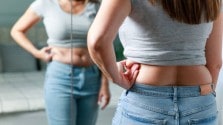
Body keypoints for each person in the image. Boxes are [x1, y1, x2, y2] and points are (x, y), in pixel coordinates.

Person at [87, 0, 223, 125]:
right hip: (201, 103)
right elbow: (215, 63)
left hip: (145, 101)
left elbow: (98, 42)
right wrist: (202, 96)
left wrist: (117, 78)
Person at [10, 0, 110, 125]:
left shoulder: (97, 6)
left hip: (92, 77)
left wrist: (105, 84)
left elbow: (104, 45)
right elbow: (16, 30)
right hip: (61, 77)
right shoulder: (45, 4)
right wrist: (36, 53)